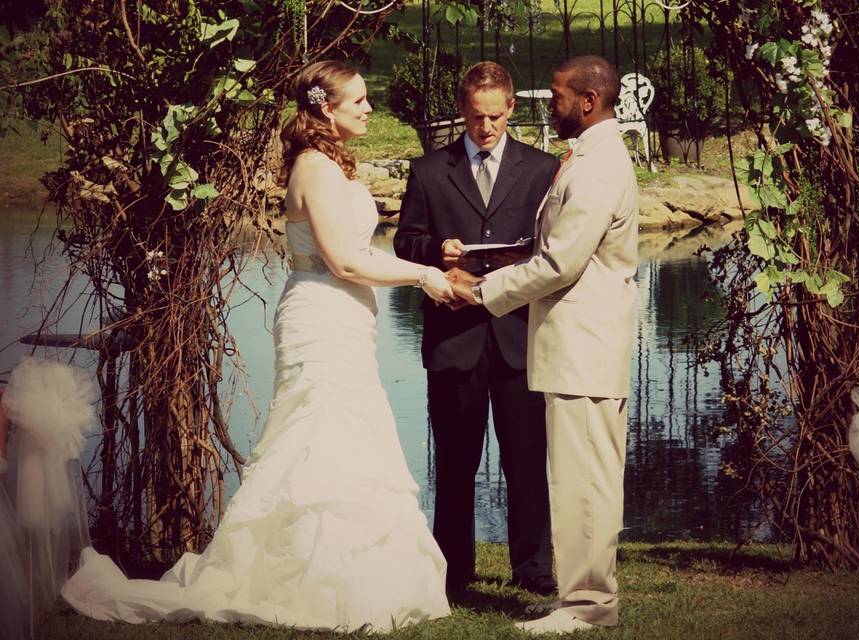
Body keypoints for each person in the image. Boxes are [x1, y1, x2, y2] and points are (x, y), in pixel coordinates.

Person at [59, 61, 453, 632]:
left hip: (345, 317)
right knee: (319, 434)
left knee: (345, 435)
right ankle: (314, 574)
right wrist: (423, 275)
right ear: (326, 107)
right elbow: (343, 260)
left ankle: (345, 567)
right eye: (360, 100)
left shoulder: (330, 164)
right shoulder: (314, 169)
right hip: (321, 315)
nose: (369, 108)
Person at [450, 55, 639, 634]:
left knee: (585, 480)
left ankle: (587, 606)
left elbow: (561, 262)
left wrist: (482, 292)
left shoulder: (600, 164)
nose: (548, 106)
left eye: (556, 97)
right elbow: (547, 248)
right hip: (577, 345)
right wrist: (499, 263)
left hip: (584, 346)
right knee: (583, 476)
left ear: (587, 101)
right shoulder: (588, 155)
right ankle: (582, 597)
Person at [394, 61, 559, 596]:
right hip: (454, 338)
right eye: (475, 116)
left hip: (518, 336)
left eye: (494, 116)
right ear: (462, 110)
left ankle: (533, 570)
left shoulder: (542, 169)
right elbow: (405, 242)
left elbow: (552, 249)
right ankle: (453, 573)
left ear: (511, 108)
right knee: (456, 462)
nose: (485, 127)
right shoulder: (428, 170)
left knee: (527, 461)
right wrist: (436, 251)